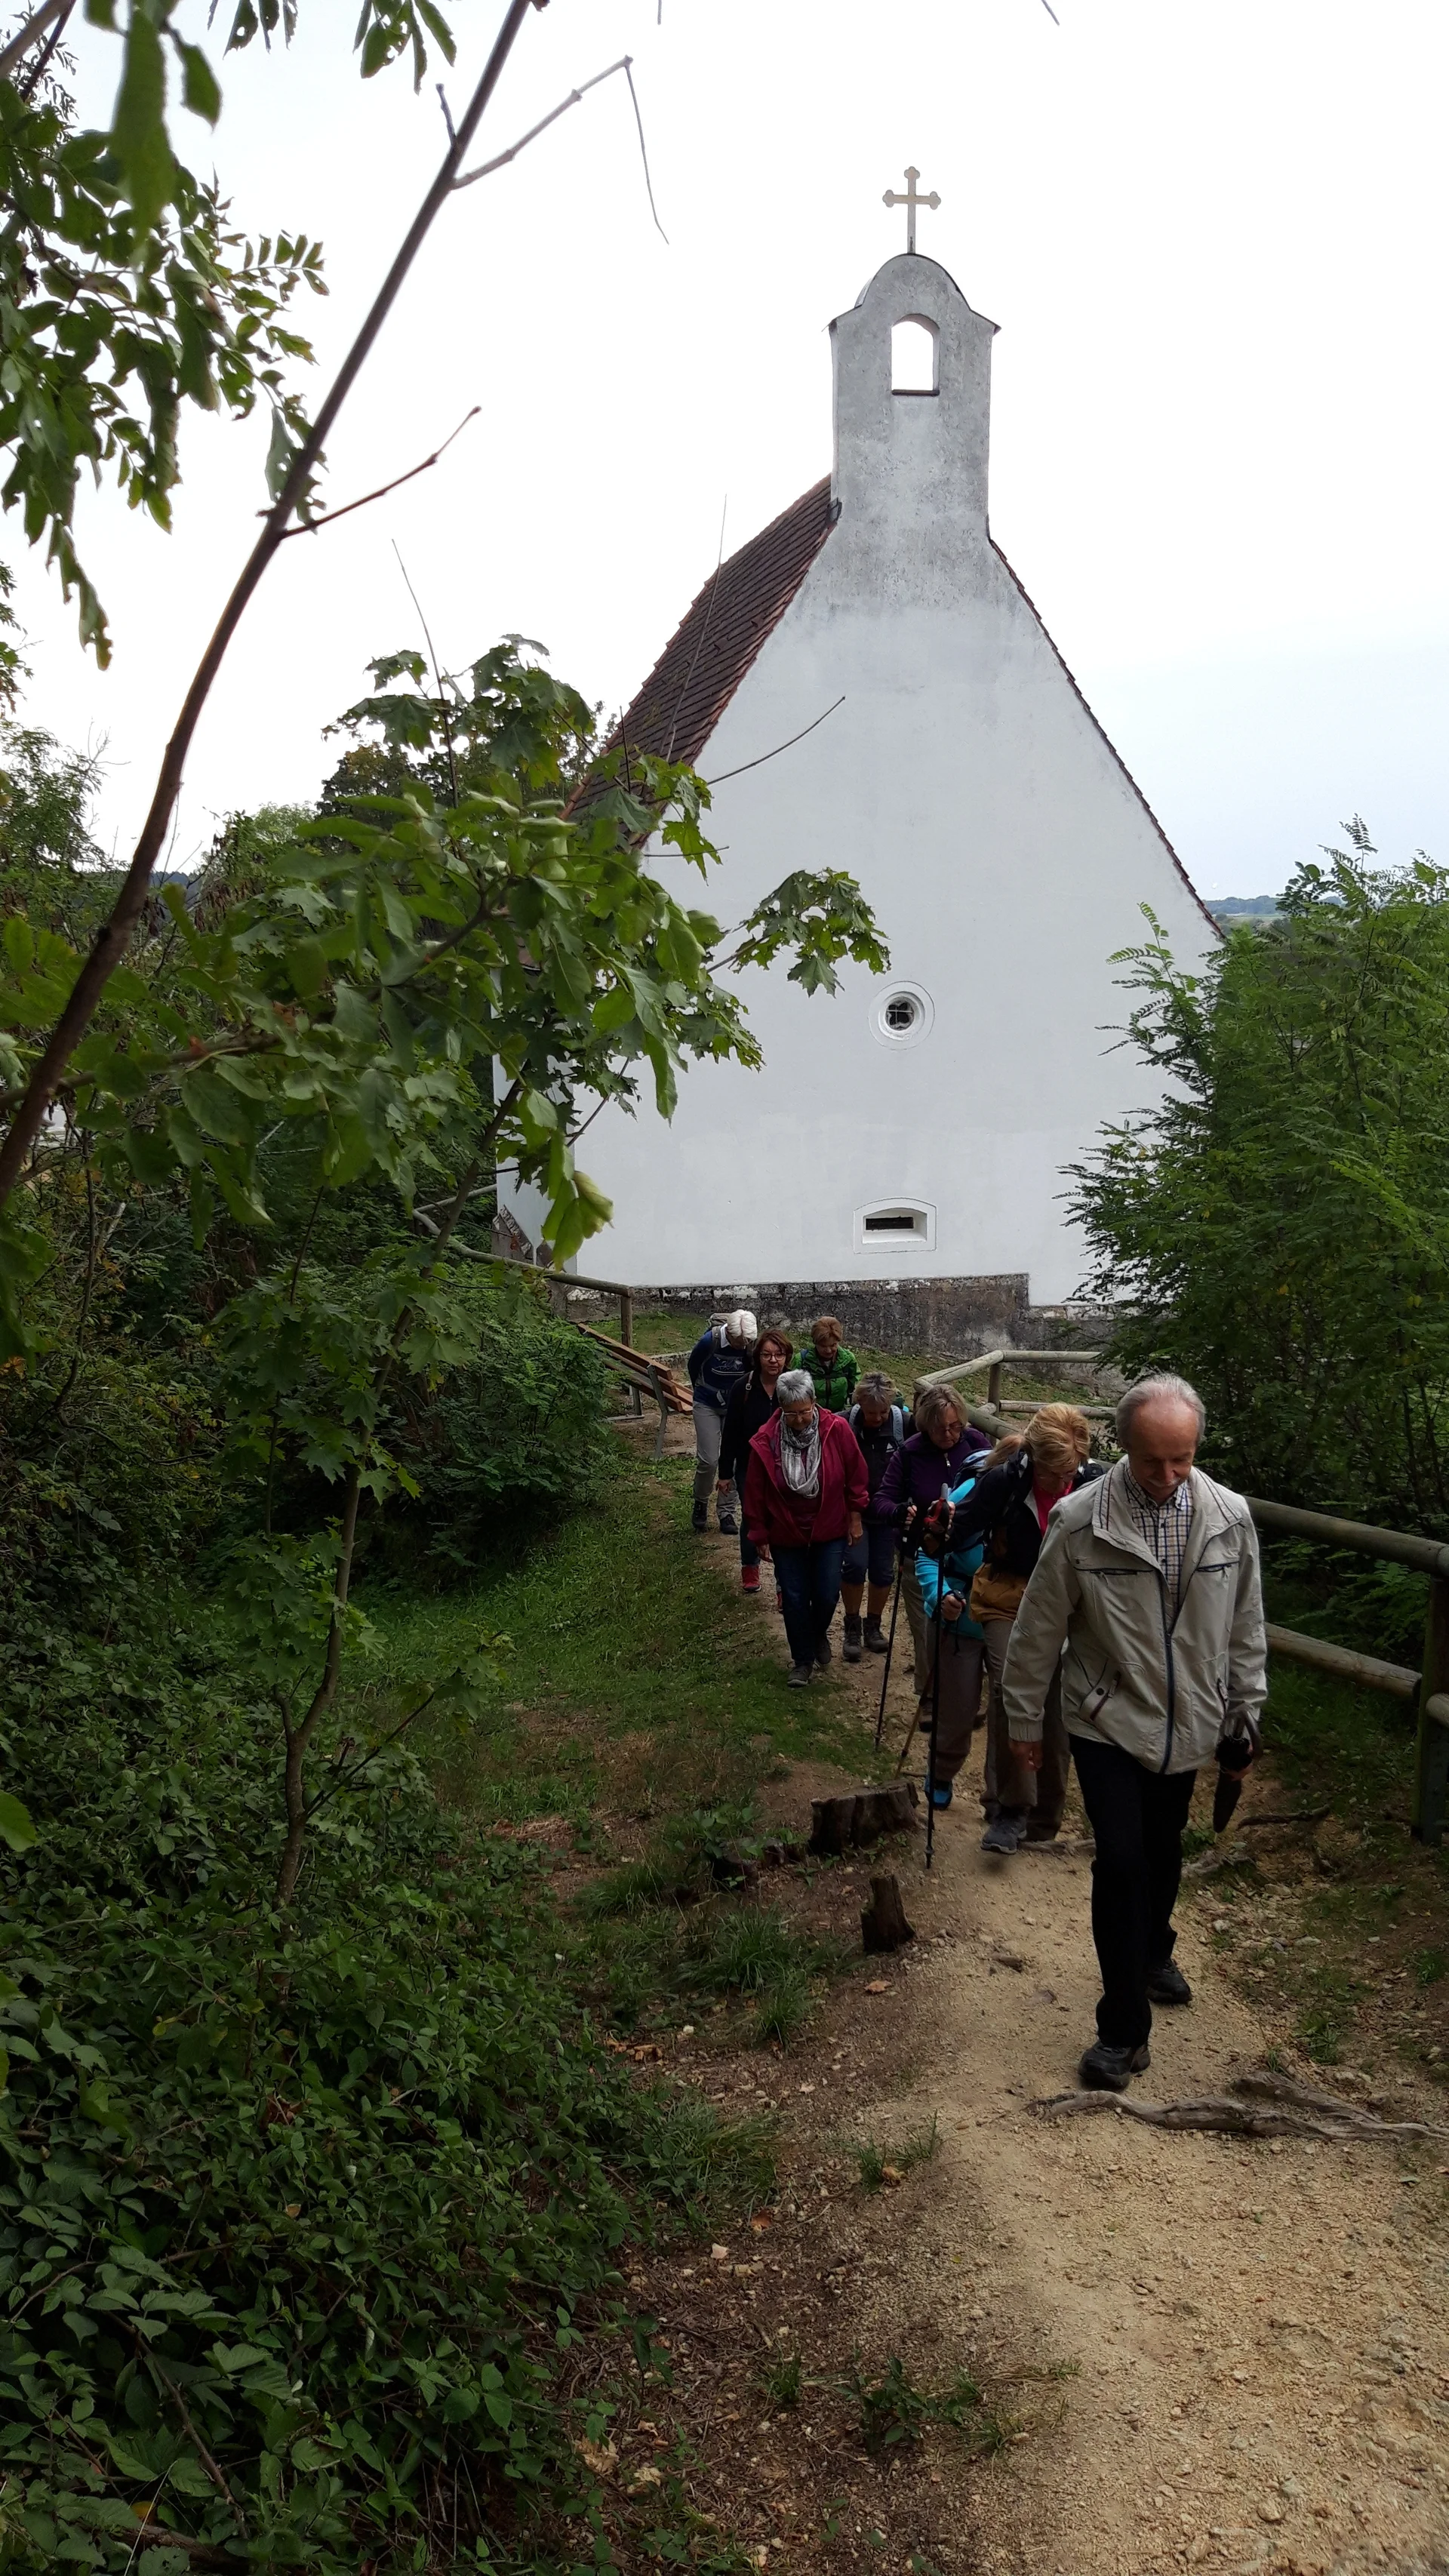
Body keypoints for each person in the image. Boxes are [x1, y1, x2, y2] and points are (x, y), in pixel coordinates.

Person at [1001, 1374, 1266, 2092]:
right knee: (1120, 1861)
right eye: (1155, 1460)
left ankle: (1154, 1950)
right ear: (1125, 1446)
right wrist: (1023, 1721)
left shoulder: (1230, 1518)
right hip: (1107, 1718)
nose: (1169, 1475)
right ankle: (1122, 2032)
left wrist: (1244, 1718)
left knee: (1162, 1849)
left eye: (1182, 1458)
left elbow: (1245, 1628)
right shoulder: (1081, 1521)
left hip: (1192, 1722)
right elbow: (1036, 1630)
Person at [946, 1405, 1103, 1856]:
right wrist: (937, 1528)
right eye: (1053, 1474)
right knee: (1010, 1688)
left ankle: (1045, 1815)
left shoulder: (1093, 1483)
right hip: (1008, 1594)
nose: (1062, 1484)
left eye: (1069, 1472)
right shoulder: (1005, 1482)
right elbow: (961, 1531)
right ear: (1032, 1459)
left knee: (1057, 1699)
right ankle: (1008, 1809)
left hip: (1069, 1601)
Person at [743, 1368, 868, 1688]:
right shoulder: (765, 1440)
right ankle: (802, 1660)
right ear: (781, 1411)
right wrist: (758, 1533)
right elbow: (755, 1491)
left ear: (814, 1403)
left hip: (828, 1527)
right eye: (791, 1414)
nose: (800, 1420)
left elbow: (856, 1475)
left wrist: (855, 1516)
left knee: (827, 1593)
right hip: (787, 1531)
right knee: (795, 1598)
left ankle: (817, 1635)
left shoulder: (836, 1430)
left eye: (805, 1412)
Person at [871, 1383, 992, 1701]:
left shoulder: (976, 1442)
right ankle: (928, 1698)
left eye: (955, 1426)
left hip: (970, 1558)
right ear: (926, 1424)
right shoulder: (910, 1453)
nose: (950, 1435)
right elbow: (881, 1500)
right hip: (919, 1555)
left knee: (970, 1632)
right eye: (941, 1429)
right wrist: (899, 1513)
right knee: (929, 1631)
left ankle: (967, 1698)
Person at [912, 1478, 988, 1808]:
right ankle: (941, 1771)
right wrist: (940, 1594)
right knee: (958, 1711)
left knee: (1012, 1715)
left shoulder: (1047, 1505)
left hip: (1015, 1628)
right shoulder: (967, 1498)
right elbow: (927, 1555)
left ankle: (1005, 1802)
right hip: (960, 1625)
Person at [839, 1372, 909, 1659]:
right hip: (852, 1510)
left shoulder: (904, 1423)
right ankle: (852, 1627)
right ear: (859, 1404)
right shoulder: (843, 1424)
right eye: (871, 1413)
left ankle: (874, 1627)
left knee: (883, 1572)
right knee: (855, 1566)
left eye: (883, 1412)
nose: (878, 1418)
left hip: (888, 1512)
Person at [718, 1329, 793, 1593]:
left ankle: (785, 1585)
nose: (773, 1360)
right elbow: (731, 1432)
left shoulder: (794, 1386)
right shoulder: (744, 1387)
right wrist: (725, 1472)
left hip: (788, 1465)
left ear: (787, 1357)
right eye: (767, 1355)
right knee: (752, 1517)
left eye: (779, 1354)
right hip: (750, 1464)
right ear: (757, 1356)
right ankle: (749, 1567)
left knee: (785, 1522)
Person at [686, 1308, 756, 1534]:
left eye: (746, 1341)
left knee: (735, 1460)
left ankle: (726, 1511)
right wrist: (703, 1390)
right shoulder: (710, 1342)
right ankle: (701, 1502)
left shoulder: (750, 1346)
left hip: (736, 1407)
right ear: (729, 1332)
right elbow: (693, 1367)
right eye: (738, 1341)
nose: (741, 1345)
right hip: (707, 1403)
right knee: (709, 1460)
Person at [802, 1315, 858, 1413]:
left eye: (833, 1345)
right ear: (815, 1343)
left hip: (839, 1415)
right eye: (823, 1346)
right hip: (811, 1416)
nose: (828, 1350)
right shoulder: (802, 1360)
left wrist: (848, 1410)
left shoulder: (848, 1360)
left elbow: (856, 1389)